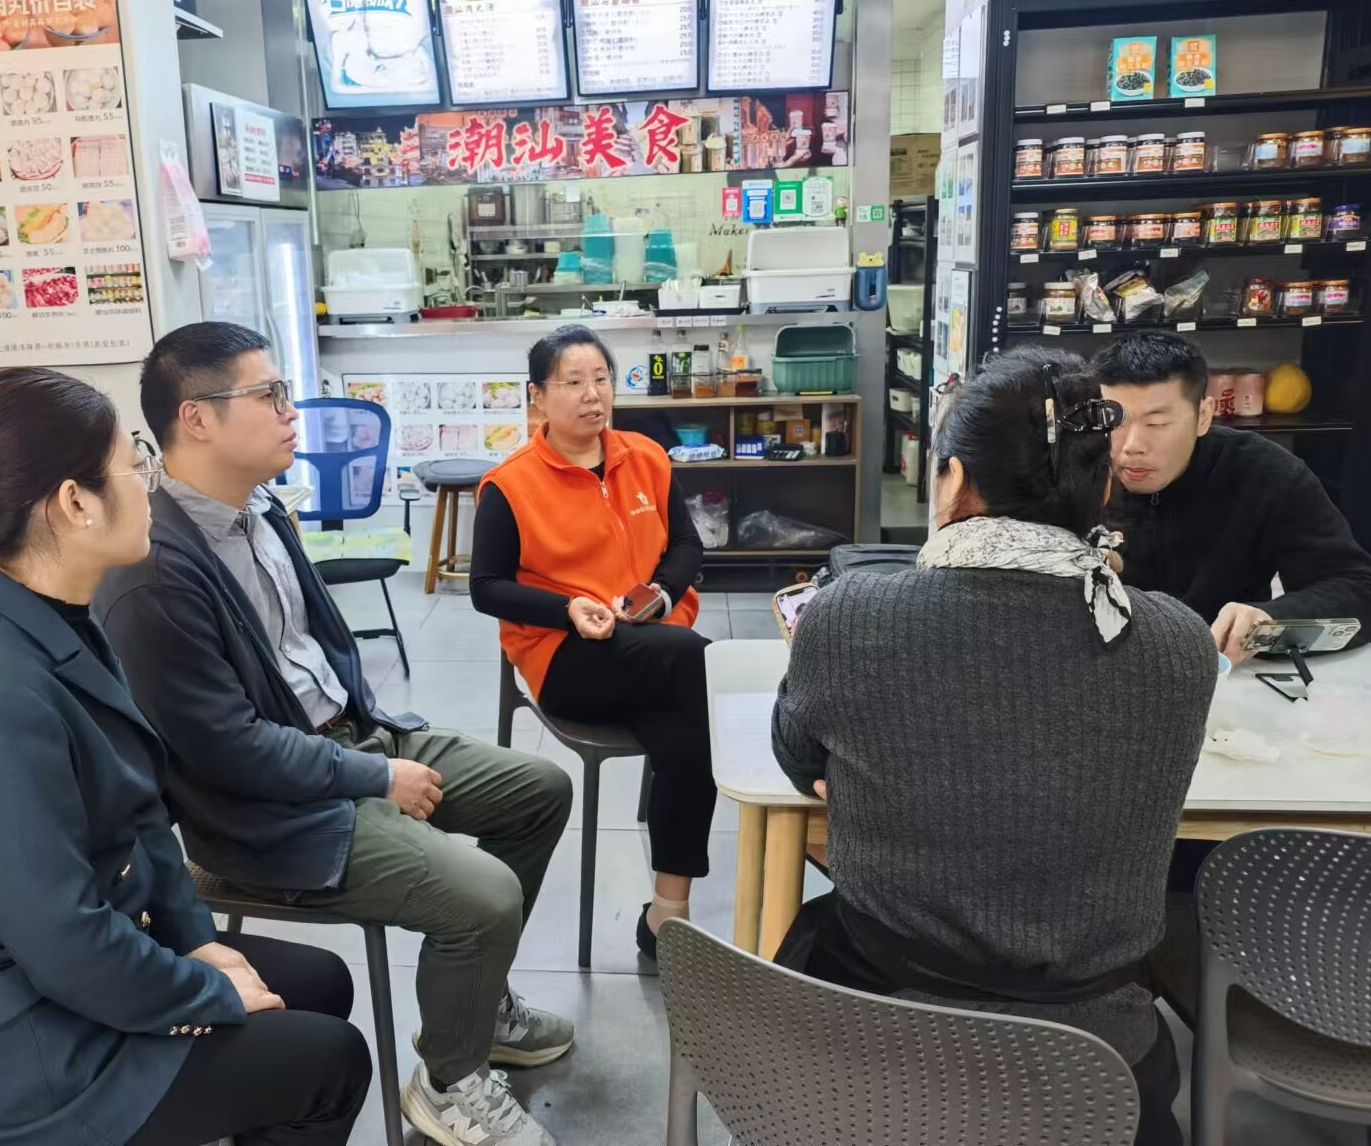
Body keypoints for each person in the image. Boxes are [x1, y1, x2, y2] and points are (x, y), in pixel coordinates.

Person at [0, 367, 370, 1146]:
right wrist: (205, 991)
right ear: (75, 502)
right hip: (17, 1055)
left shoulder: (56, 617)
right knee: (331, 1061)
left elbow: (140, 818)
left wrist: (195, 937)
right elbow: (64, 943)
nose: (149, 484)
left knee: (321, 981)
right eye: (134, 463)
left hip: (70, 969)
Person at [94, 324, 574, 1146]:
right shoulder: (155, 574)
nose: (293, 412)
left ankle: (475, 1003)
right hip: (266, 814)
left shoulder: (260, 509)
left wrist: (374, 748)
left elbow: (316, 650)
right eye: (270, 395)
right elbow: (227, 749)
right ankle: (450, 1082)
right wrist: (373, 779)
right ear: (197, 419)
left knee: (539, 790)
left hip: (350, 741)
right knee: (485, 895)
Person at [770, 349, 1217, 1146]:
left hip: (875, 1034)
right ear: (1101, 487)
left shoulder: (849, 616)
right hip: (1099, 1063)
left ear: (950, 480)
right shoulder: (1179, 642)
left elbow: (797, 755)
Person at [470, 323, 713, 961]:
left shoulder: (646, 457)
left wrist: (660, 595)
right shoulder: (510, 484)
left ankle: (668, 912)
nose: (592, 395)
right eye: (573, 382)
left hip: (651, 643)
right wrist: (568, 608)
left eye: (601, 379)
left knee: (687, 738)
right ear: (537, 397)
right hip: (567, 656)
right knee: (700, 664)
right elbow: (486, 589)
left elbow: (687, 545)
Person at [1093, 331, 1371, 664]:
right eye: (1113, 421)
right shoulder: (1077, 467)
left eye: (1157, 423)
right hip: (1103, 667)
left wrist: (1270, 620)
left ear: (1203, 415)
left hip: (1228, 671)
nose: (1131, 446)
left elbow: (1360, 591)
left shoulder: (1264, 473)